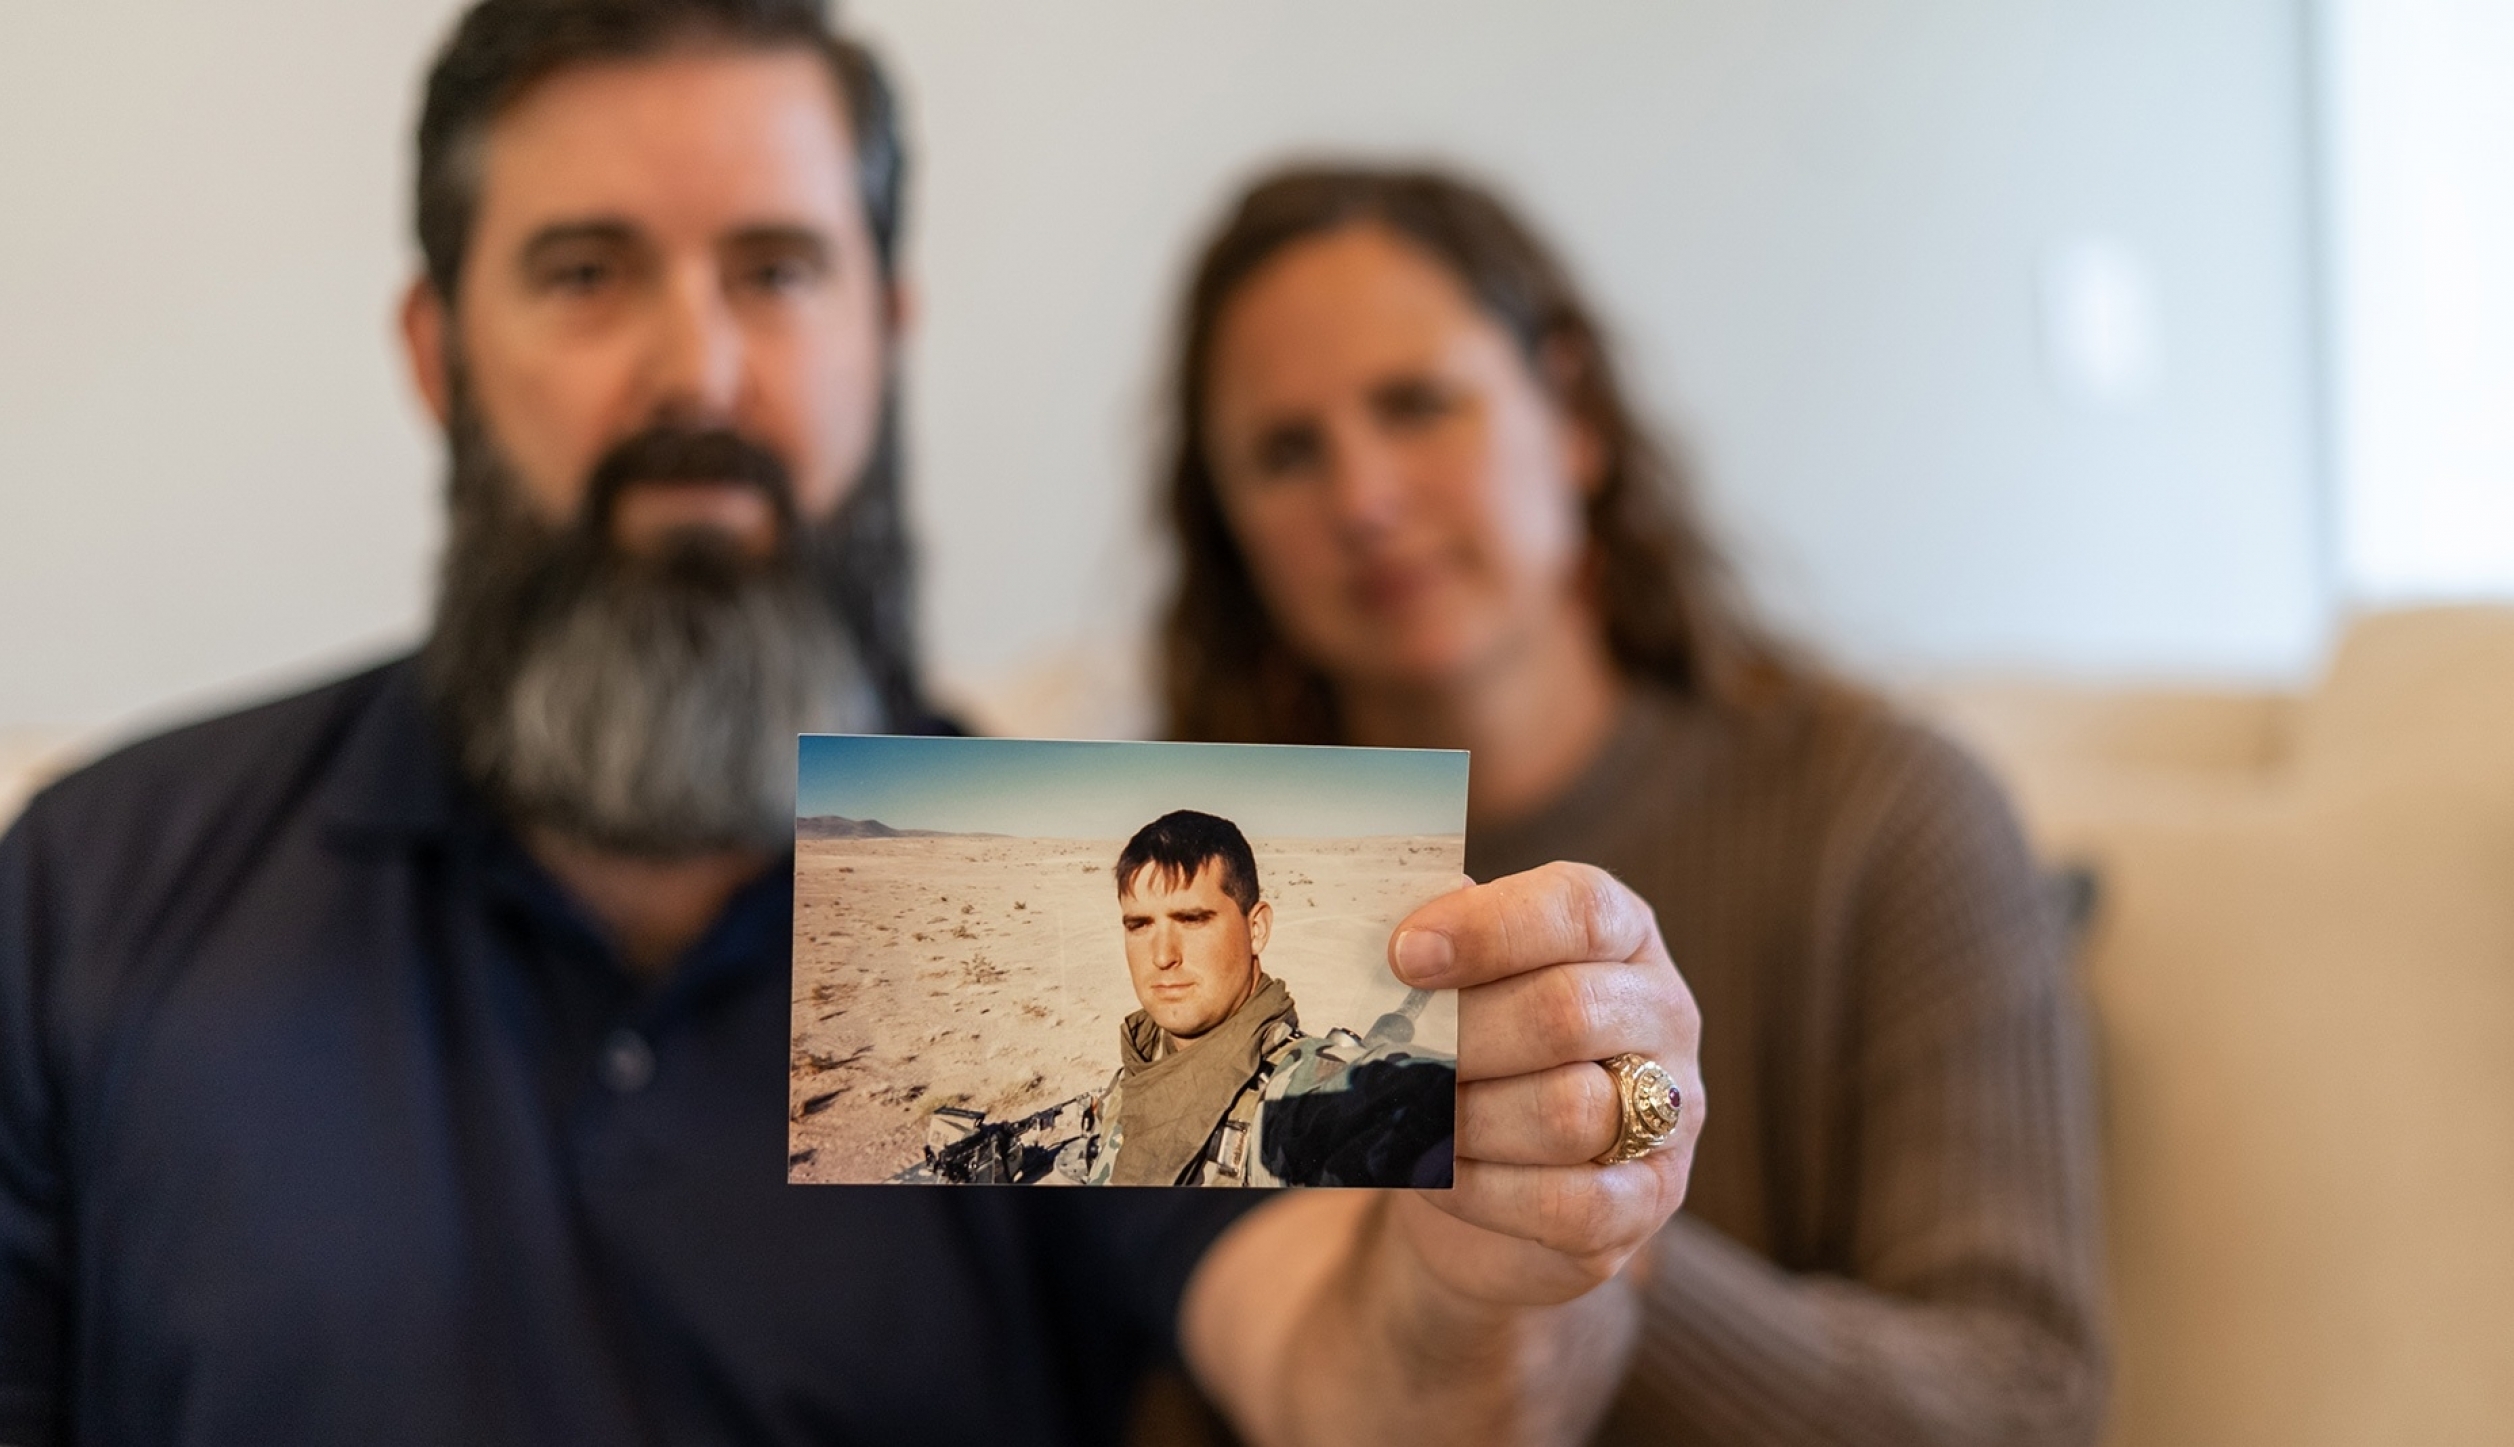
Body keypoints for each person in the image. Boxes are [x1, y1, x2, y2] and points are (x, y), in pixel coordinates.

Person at [0, 8, 1706, 1445]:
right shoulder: (96, 890)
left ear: (885, 334)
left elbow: (1354, 1366)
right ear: (441, 355)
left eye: (778, 270)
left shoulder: (1092, 888)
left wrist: (1498, 1263)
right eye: (588, 273)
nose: (701, 372)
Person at [1152, 165, 2108, 1442]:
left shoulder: (1885, 818)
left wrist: (1599, 1225)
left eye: (1417, 404)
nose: (1365, 500)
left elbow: (2021, 1403)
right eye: (1286, 453)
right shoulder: (1200, 900)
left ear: (1574, 418)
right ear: (1231, 541)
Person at [1086, 809, 1454, 1188]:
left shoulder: (1295, 1099)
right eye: (1139, 925)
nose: (1163, 956)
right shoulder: (1135, 1070)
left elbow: (1411, 1110)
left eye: (1192, 920)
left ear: (1256, 929)